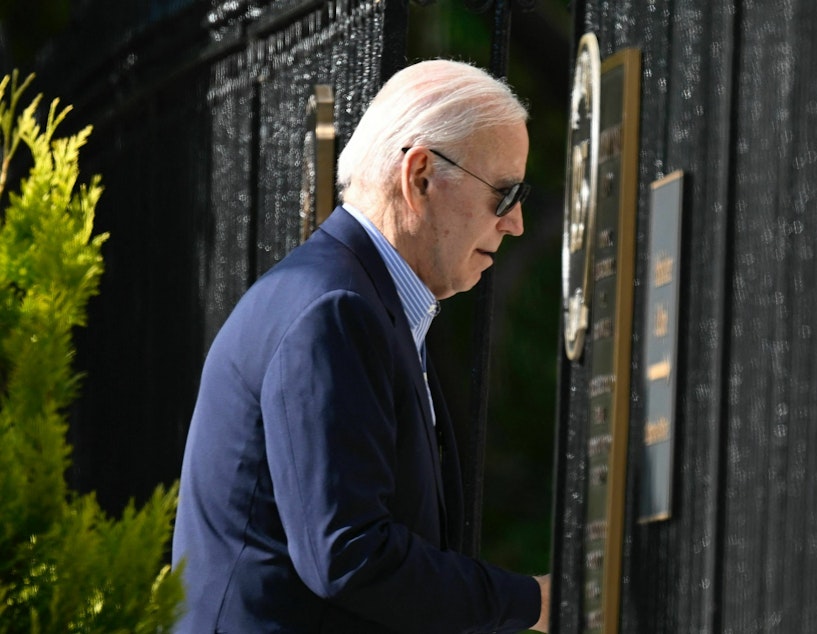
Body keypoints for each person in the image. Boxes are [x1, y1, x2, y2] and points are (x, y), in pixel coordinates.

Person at [172, 58, 551, 633]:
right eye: (504, 194)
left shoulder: (359, 299)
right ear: (420, 175)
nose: (515, 222)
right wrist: (535, 604)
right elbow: (348, 555)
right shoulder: (337, 310)